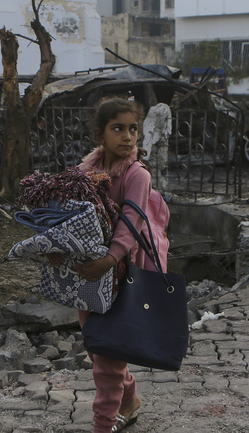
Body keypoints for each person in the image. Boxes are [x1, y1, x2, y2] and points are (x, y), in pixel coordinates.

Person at [65, 97, 164, 433]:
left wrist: (109, 259)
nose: (127, 136)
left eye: (133, 129)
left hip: (122, 274)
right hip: (89, 275)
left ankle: (103, 425)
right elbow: (69, 219)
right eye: (118, 128)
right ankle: (130, 399)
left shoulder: (136, 175)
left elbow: (132, 222)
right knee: (98, 347)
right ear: (100, 134)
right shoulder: (83, 173)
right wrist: (57, 249)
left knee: (107, 359)